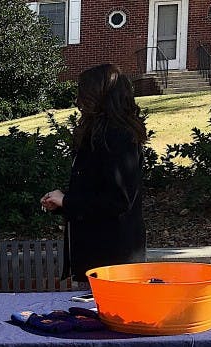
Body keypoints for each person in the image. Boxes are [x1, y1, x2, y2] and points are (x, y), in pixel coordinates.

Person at [40, 63, 147, 283]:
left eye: (83, 94)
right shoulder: (99, 134)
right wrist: (62, 202)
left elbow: (119, 200)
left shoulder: (118, 137)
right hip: (99, 258)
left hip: (113, 261)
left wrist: (67, 201)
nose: (78, 102)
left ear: (99, 96)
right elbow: (96, 190)